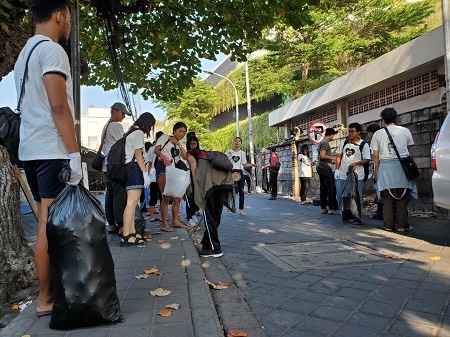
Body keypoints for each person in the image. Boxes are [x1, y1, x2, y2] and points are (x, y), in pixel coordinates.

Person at [13, 0, 82, 317]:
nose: (69, 23)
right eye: (69, 17)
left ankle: (50, 293)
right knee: (47, 223)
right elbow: (58, 106)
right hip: (52, 149)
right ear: (59, 15)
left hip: (30, 150)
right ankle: (46, 299)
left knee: (47, 219)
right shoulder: (52, 51)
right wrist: (75, 154)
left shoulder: (23, 55)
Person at [371, 107, 417, 232]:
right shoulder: (406, 131)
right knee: (402, 198)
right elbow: (407, 150)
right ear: (396, 117)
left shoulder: (378, 133)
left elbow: (376, 155)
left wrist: (375, 172)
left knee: (387, 198)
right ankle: (402, 226)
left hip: (385, 168)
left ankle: (388, 226)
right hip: (402, 167)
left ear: (383, 119)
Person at [120, 112, 155, 245]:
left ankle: (132, 232)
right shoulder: (138, 133)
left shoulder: (131, 131)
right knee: (131, 203)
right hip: (135, 169)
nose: (150, 129)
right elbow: (138, 154)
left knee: (132, 204)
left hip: (130, 169)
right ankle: (126, 235)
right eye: (151, 126)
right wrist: (145, 173)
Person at [194, 155, 235, 257]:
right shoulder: (217, 157)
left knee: (210, 218)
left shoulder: (199, 160)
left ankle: (215, 248)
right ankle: (207, 244)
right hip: (224, 186)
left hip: (210, 188)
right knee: (216, 217)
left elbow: (198, 180)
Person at [101, 102, 132, 235]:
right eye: (123, 113)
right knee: (119, 197)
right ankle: (121, 226)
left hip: (107, 165)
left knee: (110, 196)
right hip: (117, 166)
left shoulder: (106, 126)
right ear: (115, 111)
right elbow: (122, 145)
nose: (124, 116)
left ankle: (111, 225)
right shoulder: (116, 125)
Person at [154, 122, 189, 232]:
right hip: (163, 168)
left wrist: (178, 144)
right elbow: (156, 150)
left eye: (184, 132)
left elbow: (186, 156)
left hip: (175, 171)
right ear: (174, 131)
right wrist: (163, 157)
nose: (182, 134)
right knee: (165, 196)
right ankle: (164, 223)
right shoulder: (164, 137)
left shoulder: (179, 143)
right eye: (180, 131)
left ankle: (175, 220)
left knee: (177, 196)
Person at [335, 123, 371, 224]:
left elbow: (367, 159)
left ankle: (357, 217)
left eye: (352, 131)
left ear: (358, 132)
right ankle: (344, 213)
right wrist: (337, 169)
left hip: (357, 175)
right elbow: (338, 157)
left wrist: (356, 163)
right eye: (349, 131)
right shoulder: (344, 142)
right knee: (340, 194)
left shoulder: (363, 145)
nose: (350, 133)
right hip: (342, 175)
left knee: (355, 196)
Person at [225, 137, 256, 215]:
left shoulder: (242, 153)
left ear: (241, 143)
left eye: (239, 141)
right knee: (230, 190)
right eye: (236, 141)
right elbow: (224, 160)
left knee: (241, 191)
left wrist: (252, 164)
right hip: (231, 172)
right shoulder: (229, 152)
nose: (237, 142)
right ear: (233, 142)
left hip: (240, 172)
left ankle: (241, 209)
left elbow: (244, 164)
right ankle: (230, 206)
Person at [316, 128, 340, 215]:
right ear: (331, 134)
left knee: (324, 188)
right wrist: (333, 158)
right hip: (325, 167)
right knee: (332, 187)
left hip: (320, 167)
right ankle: (332, 208)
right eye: (333, 135)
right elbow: (322, 156)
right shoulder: (325, 142)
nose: (333, 137)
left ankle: (323, 208)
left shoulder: (322, 142)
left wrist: (331, 160)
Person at [145, 131, 163, 221]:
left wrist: (147, 175)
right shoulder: (163, 147)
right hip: (162, 175)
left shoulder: (152, 149)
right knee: (163, 196)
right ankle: (164, 217)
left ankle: (152, 216)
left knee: (153, 195)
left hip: (152, 175)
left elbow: (149, 163)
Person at [366, 123, 383, 220]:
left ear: (370, 133)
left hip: (380, 169)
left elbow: (377, 157)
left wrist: (375, 172)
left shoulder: (375, 140)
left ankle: (380, 213)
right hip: (389, 169)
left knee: (379, 193)